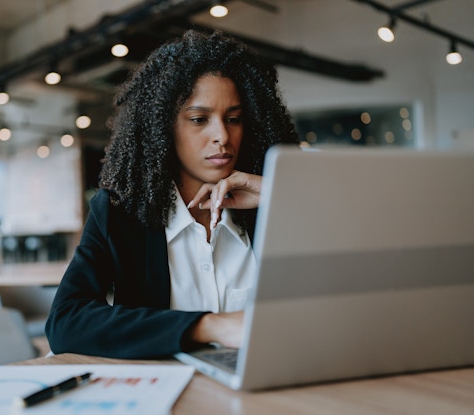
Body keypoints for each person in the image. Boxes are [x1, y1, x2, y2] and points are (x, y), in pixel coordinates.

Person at [45, 29, 298, 359]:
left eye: (234, 118)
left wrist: (282, 197)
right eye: (199, 119)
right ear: (162, 127)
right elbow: (67, 323)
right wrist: (209, 326)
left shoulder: (270, 206)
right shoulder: (121, 212)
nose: (222, 135)